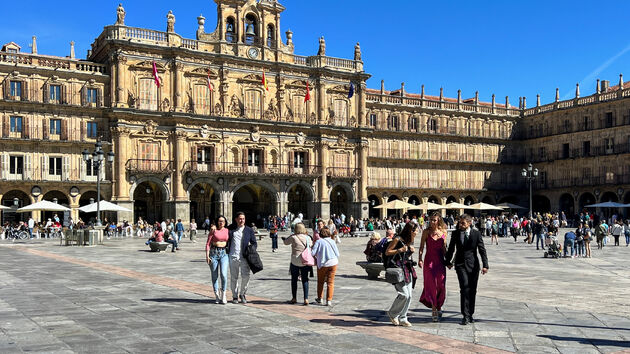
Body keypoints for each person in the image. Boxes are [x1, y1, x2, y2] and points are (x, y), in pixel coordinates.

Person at [445, 214, 489, 326]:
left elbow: (482, 250)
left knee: (472, 290)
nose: (460, 225)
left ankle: (470, 314)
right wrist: (448, 261)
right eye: (460, 222)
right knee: (464, 287)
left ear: (469, 223)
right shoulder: (455, 233)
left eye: (463, 223)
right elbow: (451, 248)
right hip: (460, 264)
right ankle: (465, 315)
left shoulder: (476, 234)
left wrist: (485, 265)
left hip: (473, 265)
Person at [385, 222, 418, 327]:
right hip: (398, 269)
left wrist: (410, 251)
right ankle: (392, 313)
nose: (417, 233)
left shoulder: (409, 240)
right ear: (410, 231)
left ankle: (403, 318)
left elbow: (405, 255)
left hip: (407, 268)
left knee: (409, 296)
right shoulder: (397, 239)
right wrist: (400, 249)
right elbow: (387, 252)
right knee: (404, 294)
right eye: (415, 231)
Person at [418, 212, 447, 322]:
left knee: (441, 284)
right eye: (430, 220)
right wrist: (420, 259)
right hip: (429, 261)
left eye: (434, 220)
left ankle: (439, 305)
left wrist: (448, 261)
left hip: (440, 261)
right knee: (431, 285)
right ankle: (434, 309)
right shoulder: (426, 232)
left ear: (439, 220)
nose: (432, 222)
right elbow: (421, 246)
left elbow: (444, 248)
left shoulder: (443, 232)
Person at [227, 212, 257, 304]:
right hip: (233, 256)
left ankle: (243, 293)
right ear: (236, 219)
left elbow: (254, 243)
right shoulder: (231, 229)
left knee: (246, 276)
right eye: (240, 219)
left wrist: (251, 250)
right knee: (234, 277)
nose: (241, 220)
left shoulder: (249, 230)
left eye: (243, 219)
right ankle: (235, 296)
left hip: (245, 257)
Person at [283, 223, 312, 305]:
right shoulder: (308, 237)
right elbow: (311, 245)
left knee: (294, 280)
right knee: (305, 279)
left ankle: (294, 298)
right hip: (305, 261)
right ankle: (306, 298)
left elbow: (285, 242)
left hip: (295, 261)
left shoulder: (293, 237)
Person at [311, 227, 339, 306]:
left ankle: (320, 298)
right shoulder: (332, 241)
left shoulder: (319, 242)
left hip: (323, 264)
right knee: (330, 282)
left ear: (320, 234)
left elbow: (312, 253)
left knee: (320, 282)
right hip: (333, 263)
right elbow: (338, 254)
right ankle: (329, 300)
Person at [206, 216, 229, 304]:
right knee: (214, 276)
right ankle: (216, 295)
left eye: (223, 221)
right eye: (219, 221)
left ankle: (223, 294)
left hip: (224, 254)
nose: (221, 223)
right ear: (217, 222)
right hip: (214, 254)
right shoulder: (213, 230)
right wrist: (207, 256)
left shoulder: (227, 230)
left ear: (225, 222)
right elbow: (208, 243)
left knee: (223, 274)